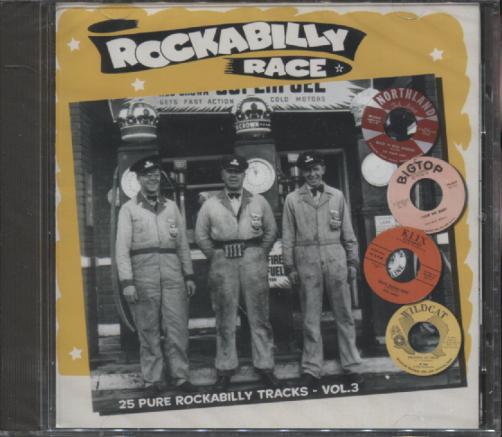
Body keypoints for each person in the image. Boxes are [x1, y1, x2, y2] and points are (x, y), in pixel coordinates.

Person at [195, 154, 279, 391]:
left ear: (244, 175)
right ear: (222, 174)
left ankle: (265, 366)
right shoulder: (210, 204)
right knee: (225, 317)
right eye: (229, 172)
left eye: (238, 172)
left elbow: (271, 231)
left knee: (259, 316)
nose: (233, 176)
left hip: (253, 260)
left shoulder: (259, 201)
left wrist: (258, 253)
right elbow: (201, 236)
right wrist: (217, 256)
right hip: (223, 262)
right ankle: (225, 368)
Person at [116, 156, 197, 394]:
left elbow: (182, 244)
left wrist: (189, 274)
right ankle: (153, 380)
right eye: (147, 175)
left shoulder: (171, 207)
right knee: (148, 329)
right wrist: (127, 282)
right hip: (143, 276)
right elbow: (122, 249)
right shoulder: (129, 209)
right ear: (139, 179)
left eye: (155, 175)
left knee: (177, 327)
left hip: (173, 275)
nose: (152, 179)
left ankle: (180, 376)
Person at [282, 151, 363, 388]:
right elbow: (287, 236)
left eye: (316, 168)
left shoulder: (337, 195)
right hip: (306, 259)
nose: (312, 174)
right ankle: (312, 368)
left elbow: (348, 232)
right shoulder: (292, 200)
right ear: (302, 172)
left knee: (344, 314)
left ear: (323, 169)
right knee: (310, 317)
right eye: (307, 170)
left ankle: (352, 365)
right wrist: (289, 266)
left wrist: (352, 261)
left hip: (335, 257)